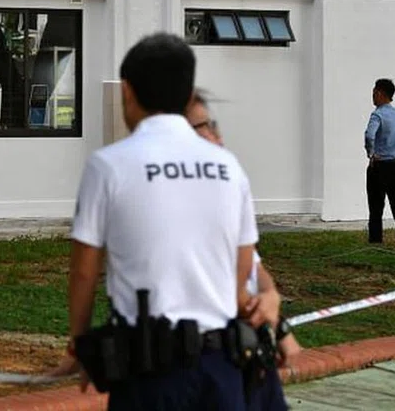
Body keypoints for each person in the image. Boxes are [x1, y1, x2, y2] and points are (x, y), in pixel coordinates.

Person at [61, 33, 266, 410]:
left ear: (128, 91)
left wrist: (81, 342)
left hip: (149, 371)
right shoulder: (228, 167)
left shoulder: (108, 166)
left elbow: (85, 271)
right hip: (221, 367)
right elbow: (244, 261)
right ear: (188, 97)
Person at [187, 90, 300, 411]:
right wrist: (276, 326)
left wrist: (271, 295)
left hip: (249, 351)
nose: (217, 135)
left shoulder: (226, 185)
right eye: (204, 126)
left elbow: (253, 265)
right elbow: (227, 282)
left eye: (214, 124)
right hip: (211, 355)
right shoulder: (178, 202)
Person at [364, 78, 395, 244]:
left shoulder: (377, 114)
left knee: (376, 207)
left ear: (380, 93)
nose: (372, 97)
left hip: (380, 165)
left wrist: (371, 152)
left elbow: (370, 135)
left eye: (374, 93)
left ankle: (376, 240)